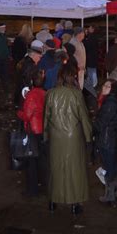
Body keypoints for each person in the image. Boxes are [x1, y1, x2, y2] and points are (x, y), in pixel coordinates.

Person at [44, 62, 92, 214]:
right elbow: (84, 117)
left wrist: (46, 136)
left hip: (56, 136)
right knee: (74, 169)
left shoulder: (51, 93)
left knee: (56, 168)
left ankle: (53, 200)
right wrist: (89, 136)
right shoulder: (76, 94)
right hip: (73, 136)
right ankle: (74, 202)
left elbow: (46, 117)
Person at [93, 78, 117, 206]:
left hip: (107, 139)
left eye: (107, 86)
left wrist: (93, 126)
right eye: (104, 85)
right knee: (115, 165)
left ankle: (110, 195)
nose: (104, 88)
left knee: (109, 166)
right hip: (113, 138)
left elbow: (101, 123)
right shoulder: (114, 102)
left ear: (113, 90)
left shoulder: (109, 104)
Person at [18, 70, 46, 197]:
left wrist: (18, 113)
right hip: (43, 129)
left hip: (33, 130)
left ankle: (32, 189)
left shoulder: (31, 95)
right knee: (42, 158)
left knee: (32, 161)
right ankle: (43, 183)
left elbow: (27, 115)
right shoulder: (46, 94)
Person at [14, 39, 44, 107]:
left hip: (20, 92)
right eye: (39, 57)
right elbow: (27, 82)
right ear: (34, 55)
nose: (40, 59)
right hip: (25, 95)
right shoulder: (30, 66)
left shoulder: (25, 61)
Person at [84, 25, 99, 89]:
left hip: (91, 57)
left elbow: (87, 46)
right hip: (93, 56)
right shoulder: (93, 37)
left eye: (89, 28)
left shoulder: (91, 37)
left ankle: (93, 84)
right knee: (92, 71)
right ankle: (93, 83)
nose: (88, 29)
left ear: (93, 29)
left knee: (91, 71)